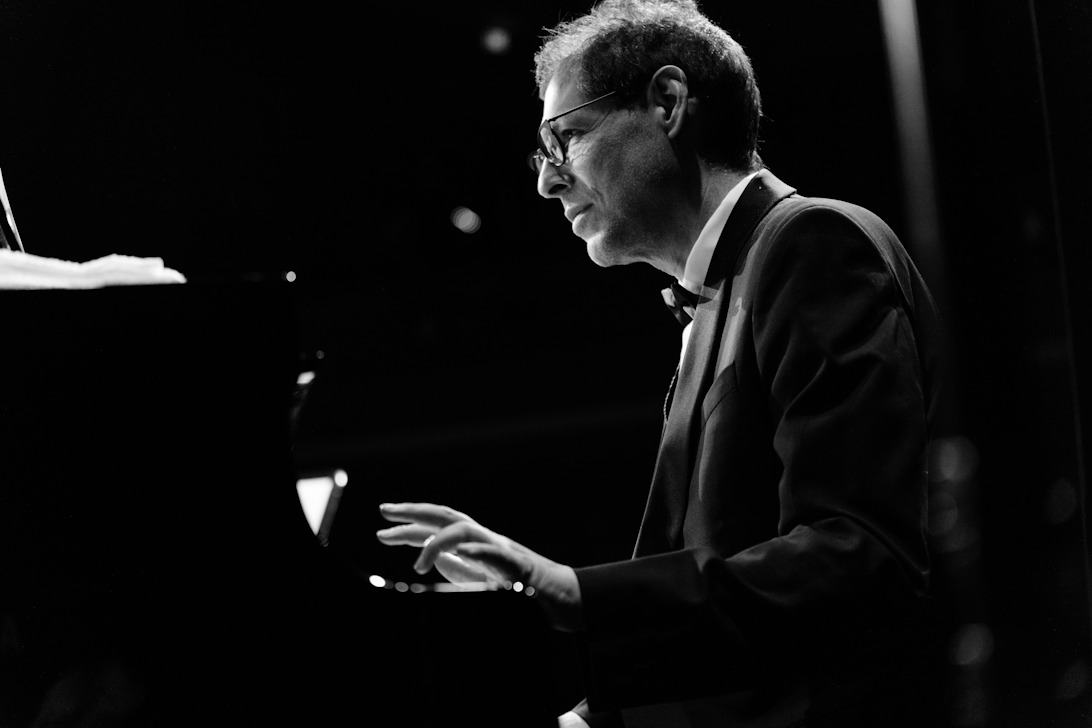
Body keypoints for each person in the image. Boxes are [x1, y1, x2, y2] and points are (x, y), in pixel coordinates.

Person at [377, 1, 945, 726]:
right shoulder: (720, 293)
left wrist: (572, 590)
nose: (547, 182)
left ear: (668, 103)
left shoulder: (813, 243)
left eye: (565, 137)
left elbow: (862, 558)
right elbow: (723, 618)